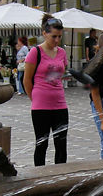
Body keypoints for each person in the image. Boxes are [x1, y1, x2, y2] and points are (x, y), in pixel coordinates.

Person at [23, 15, 69, 166]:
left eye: (59, 37)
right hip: (41, 105)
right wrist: (35, 98)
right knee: (42, 143)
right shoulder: (35, 52)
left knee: (61, 144)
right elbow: (27, 80)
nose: (56, 40)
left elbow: (60, 74)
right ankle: (39, 176)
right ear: (44, 33)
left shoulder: (62, 52)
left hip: (60, 104)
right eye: (53, 36)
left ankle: (60, 176)